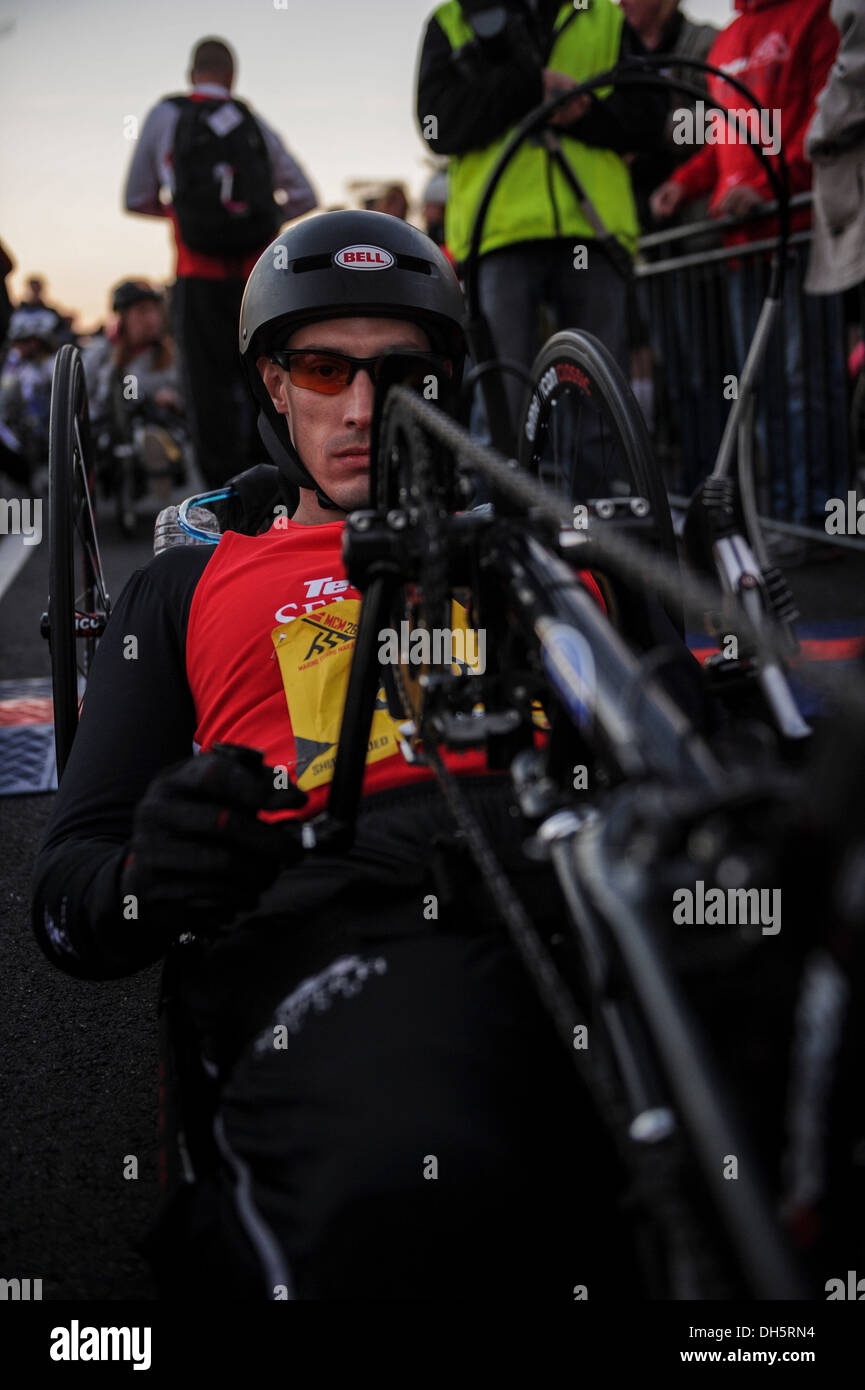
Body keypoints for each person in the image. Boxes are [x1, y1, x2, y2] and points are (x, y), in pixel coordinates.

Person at [31, 209, 632, 1300]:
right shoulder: (184, 585)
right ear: (273, 383)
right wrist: (150, 878)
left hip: (588, 889)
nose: (360, 407)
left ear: (444, 381)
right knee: (417, 1201)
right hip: (333, 915)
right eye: (323, 368)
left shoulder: (542, 553)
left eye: (397, 372)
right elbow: (69, 905)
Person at [416, 0, 666, 444]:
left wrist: (582, 112)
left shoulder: (606, 17)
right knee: (502, 402)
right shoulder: (451, 19)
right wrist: (529, 87)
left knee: (600, 403)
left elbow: (649, 116)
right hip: (499, 235)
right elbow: (438, 126)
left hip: (592, 232)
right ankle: (500, 509)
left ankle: (599, 509)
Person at [650, 0, 845, 531]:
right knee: (761, 386)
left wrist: (763, 187)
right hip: (743, 251)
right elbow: (719, 142)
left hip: (800, 240)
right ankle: (782, 519)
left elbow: (825, 122)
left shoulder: (815, 16)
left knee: (807, 381)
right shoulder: (727, 41)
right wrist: (684, 183)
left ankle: (817, 516)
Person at [124, 36, 317, 489]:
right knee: (265, 384)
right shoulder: (254, 124)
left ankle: (220, 505)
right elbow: (306, 195)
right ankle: (276, 494)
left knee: (205, 395)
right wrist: (263, 217)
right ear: (232, 76)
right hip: (259, 282)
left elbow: (136, 196)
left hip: (198, 276)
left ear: (193, 73)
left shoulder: (167, 116)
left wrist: (181, 213)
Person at [82, 279, 187, 508]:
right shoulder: (101, 353)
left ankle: (159, 463)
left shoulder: (169, 354)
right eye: (141, 312)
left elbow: (186, 397)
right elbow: (84, 393)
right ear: (122, 318)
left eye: (153, 311)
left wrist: (171, 398)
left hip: (156, 421)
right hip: (109, 423)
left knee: (154, 432)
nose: (151, 319)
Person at [0, 307, 59, 483]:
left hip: (48, 439)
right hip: (18, 437)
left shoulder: (53, 365)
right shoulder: (14, 365)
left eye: (26, 341)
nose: (20, 347)